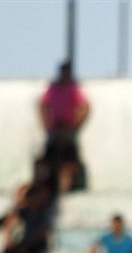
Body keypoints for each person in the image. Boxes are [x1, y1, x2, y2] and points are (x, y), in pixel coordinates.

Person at [38, 60, 89, 193]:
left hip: (68, 128)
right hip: (55, 128)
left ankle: (72, 185)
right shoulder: (53, 87)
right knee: (46, 158)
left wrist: (75, 125)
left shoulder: (73, 88)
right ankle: (42, 186)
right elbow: (43, 105)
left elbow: (85, 106)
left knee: (71, 159)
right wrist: (47, 125)